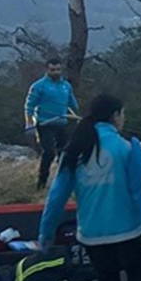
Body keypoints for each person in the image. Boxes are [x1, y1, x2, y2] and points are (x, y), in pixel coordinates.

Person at [38, 93, 141, 281]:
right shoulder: (127, 147)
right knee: (139, 275)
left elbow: (56, 197)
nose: (124, 119)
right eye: (122, 114)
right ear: (115, 116)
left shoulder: (75, 150)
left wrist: (45, 232)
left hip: (91, 234)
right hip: (128, 230)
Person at [25, 57, 80, 189]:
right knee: (49, 152)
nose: (55, 72)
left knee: (65, 153)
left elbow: (73, 104)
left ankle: (65, 182)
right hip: (45, 124)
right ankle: (41, 182)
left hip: (62, 123)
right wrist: (29, 123)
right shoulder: (38, 86)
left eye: (58, 69)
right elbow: (29, 106)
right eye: (52, 70)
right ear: (47, 70)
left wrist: (77, 116)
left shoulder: (66, 86)